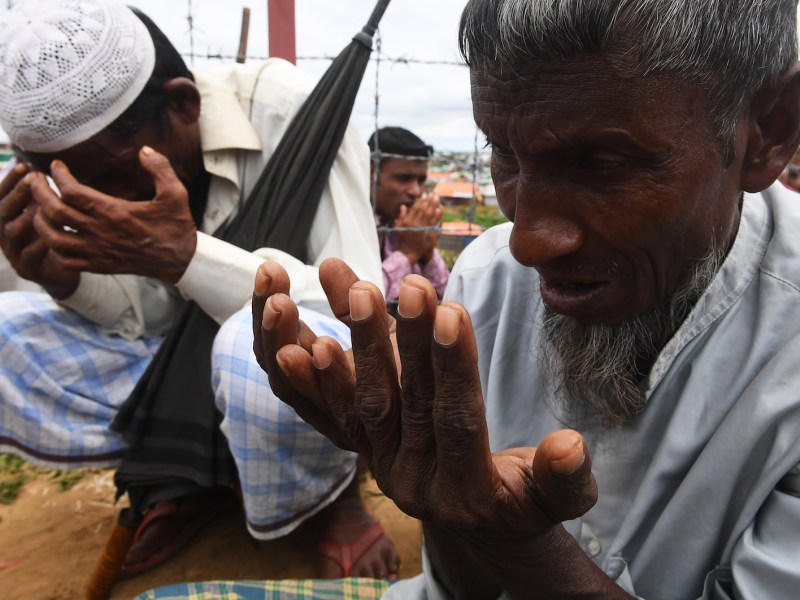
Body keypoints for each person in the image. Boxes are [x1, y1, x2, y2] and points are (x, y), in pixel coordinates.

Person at [252, 0, 800, 598]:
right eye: (505, 155)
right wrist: (443, 496)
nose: (528, 241)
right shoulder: (486, 284)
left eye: (603, 164)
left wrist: (516, 545)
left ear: (768, 130)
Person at [0, 0, 398, 579]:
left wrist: (188, 257)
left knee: (251, 341)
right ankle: (188, 477)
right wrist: (63, 281)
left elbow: (356, 305)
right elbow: (152, 322)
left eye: (111, 179)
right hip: (178, 373)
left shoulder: (290, 111)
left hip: (287, 368)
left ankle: (333, 498)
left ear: (184, 104)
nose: (105, 201)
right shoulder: (98, 169)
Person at [368, 127, 449, 303]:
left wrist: (426, 252)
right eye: (404, 178)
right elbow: (362, 300)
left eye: (421, 180)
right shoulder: (351, 222)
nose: (416, 191)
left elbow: (447, 296)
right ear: (371, 173)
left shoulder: (405, 225)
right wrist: (408, 252)